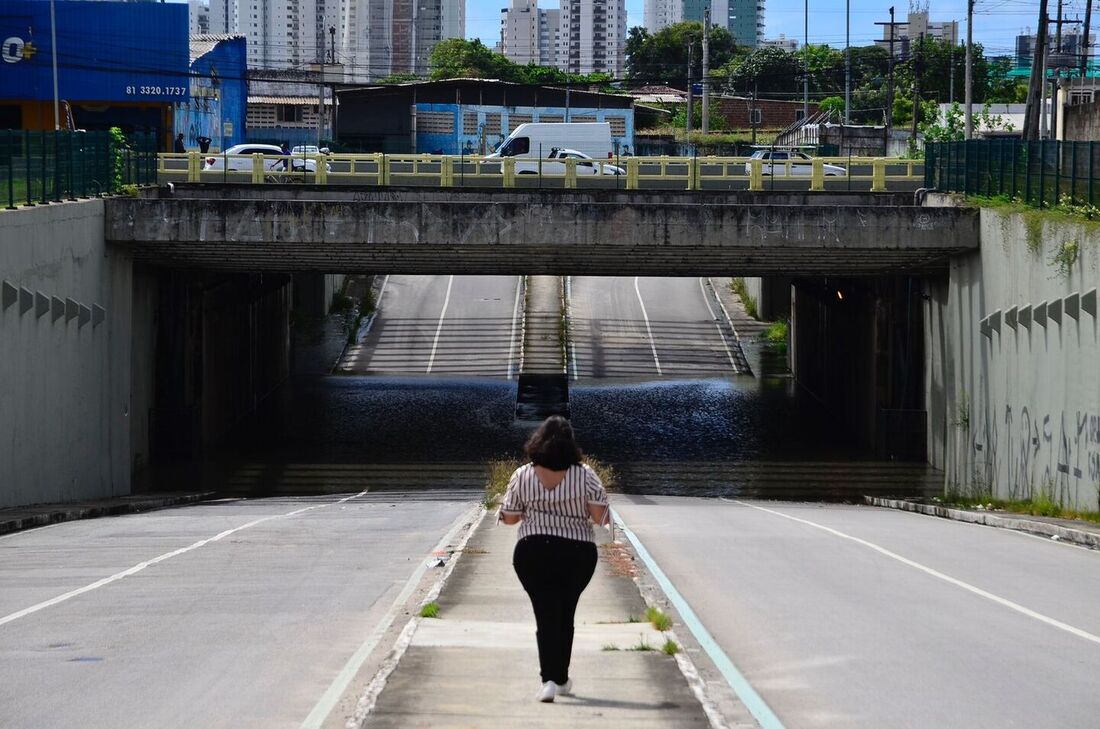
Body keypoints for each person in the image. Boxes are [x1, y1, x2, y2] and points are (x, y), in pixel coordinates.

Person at [499, 416, 610, 703]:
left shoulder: (522, 475)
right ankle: (560, 678)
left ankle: (550, 679)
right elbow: (600, 517)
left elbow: (509, 518)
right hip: (577, 553)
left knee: (544, 613)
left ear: (538, 441)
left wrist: (531, 511)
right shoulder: (586, 475)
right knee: (565, 613)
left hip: (532, 550)